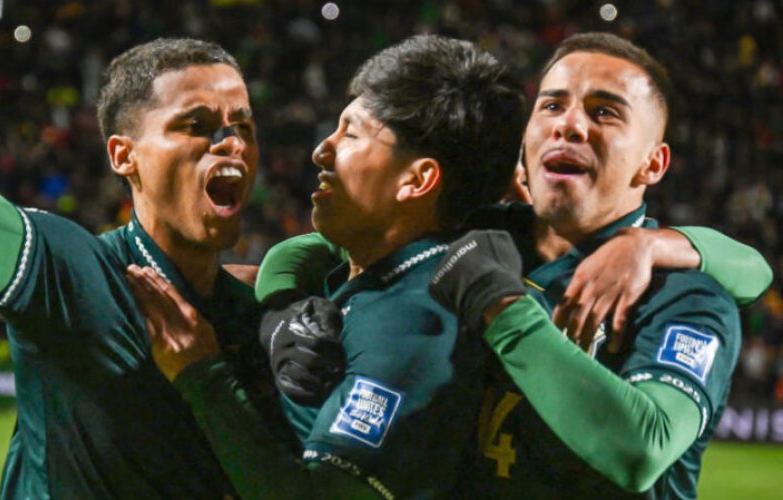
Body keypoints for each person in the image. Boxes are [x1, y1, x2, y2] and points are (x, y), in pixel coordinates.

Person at [263, 33, 768, 498]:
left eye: (605, 113)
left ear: (652, 164)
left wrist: (507, 307)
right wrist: (280, 311)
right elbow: (309, 249)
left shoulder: (683, 296)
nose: (569, 124)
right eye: (552, 105)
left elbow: (641, 449)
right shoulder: (477, 232)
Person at [0, 1, 290, 497]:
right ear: (124, 155)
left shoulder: (262, 318)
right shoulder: (74, 273)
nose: (231, 143)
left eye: (243, 125)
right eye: (197, 125)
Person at [126, 35, 526, 499]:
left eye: (351, 134)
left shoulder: (411, 323)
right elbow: (303, 252)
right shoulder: (397, 263)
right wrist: (281, 303)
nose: (322, 150)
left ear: (417, 180)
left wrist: (201, 374)